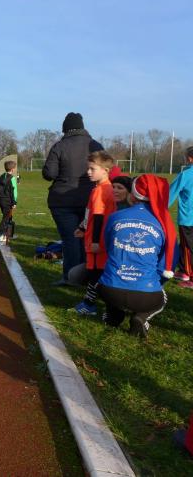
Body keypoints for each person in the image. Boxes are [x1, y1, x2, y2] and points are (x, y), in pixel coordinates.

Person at [99, 174, 176, 337]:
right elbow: (167, 267)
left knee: (110, 282)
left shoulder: (115, 216)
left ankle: (113, 315)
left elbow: (107, 247)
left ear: (133, 194)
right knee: (162, 298)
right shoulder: (165, 225)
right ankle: (141, 317)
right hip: (146, 295)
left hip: (109, 289)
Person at [42, 112, 104, 286]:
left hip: (62, 200)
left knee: (70, 240)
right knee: (87, 239)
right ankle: (87, 277)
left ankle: (71, 278)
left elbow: (49, 173)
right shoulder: (95, 145)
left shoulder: (60, 146)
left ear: (66, 129)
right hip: (90, 200)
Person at [72, 151, 116, 316]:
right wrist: (83, 228)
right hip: (101, 240)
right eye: (88, 168)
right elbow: (90, 214)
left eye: (92, 169)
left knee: (96, 272)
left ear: (105, 170)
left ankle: (89, 304)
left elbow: (98, 216)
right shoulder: (106, 188)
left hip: (97, 242)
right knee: (98, 272)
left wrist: (96, 241)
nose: (88, 172)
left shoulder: (100, 191)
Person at [169, 146, 193, 287]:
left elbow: (171, 193)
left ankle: (191, 278)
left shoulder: (186, 175)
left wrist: (159, 208)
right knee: (184, 245)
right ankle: (184, 270)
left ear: (189, 158)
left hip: (188, 218)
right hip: (189, 218)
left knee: (189, 247)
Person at [0, 160, 18, 242]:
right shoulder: (12, 178)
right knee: (6, 218)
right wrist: (14, 202)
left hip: (1, 200)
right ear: (12, 169)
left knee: (8, 217)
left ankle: (8, 234)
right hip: (8, 201)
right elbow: (14, 191)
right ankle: (1, 235)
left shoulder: (1, 176)